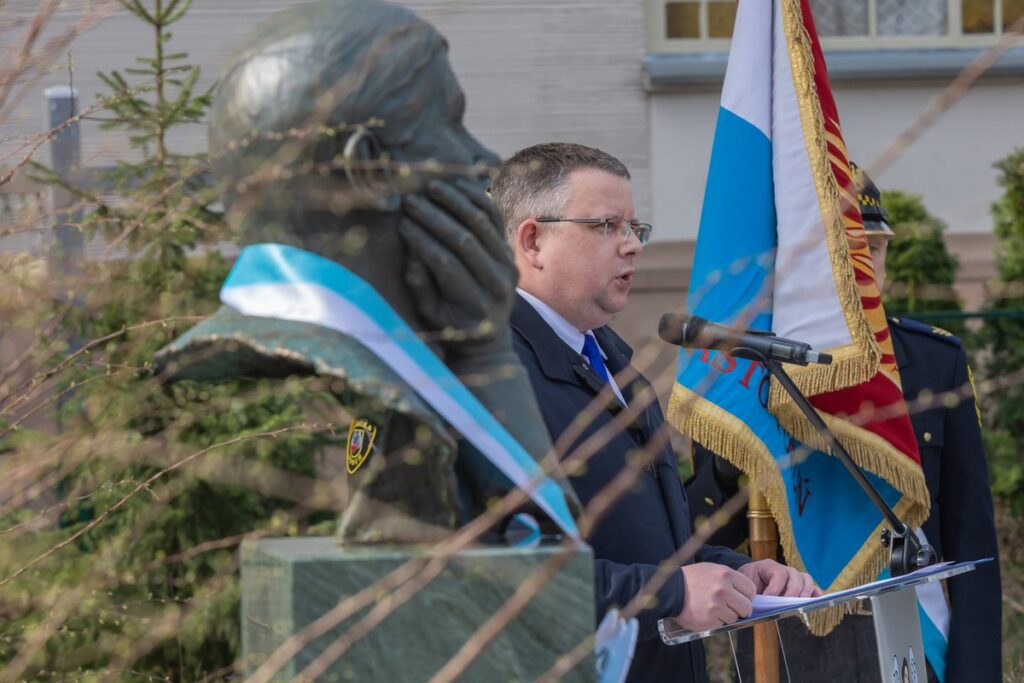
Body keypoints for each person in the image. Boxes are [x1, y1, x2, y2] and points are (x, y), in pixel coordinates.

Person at [153, 0, 580, 545]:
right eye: (451, 123)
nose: (483, 158)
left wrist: (482, 351)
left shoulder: (427, 335)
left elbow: (538, 547)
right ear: (369, 170)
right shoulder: (331, 346)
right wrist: (485, 356)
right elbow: (542, 556)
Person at [491, 142, 819, 682]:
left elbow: (649, 543)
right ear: (533, 241)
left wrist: (736, 572)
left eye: (635, 228)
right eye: (607, 226)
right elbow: (490, 573)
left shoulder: (610, 359)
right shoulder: (489, 378)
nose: (633, 246)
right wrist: (668, 594)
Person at [687, 164, 1002, 681]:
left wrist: (976, 671)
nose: (862, 264)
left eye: (872, 248)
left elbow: (971, 535)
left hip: (912, 631)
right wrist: (732, 463)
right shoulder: (747, 371)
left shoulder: (932, 361)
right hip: (792, 638)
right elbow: (704, 533)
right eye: (842, 249)